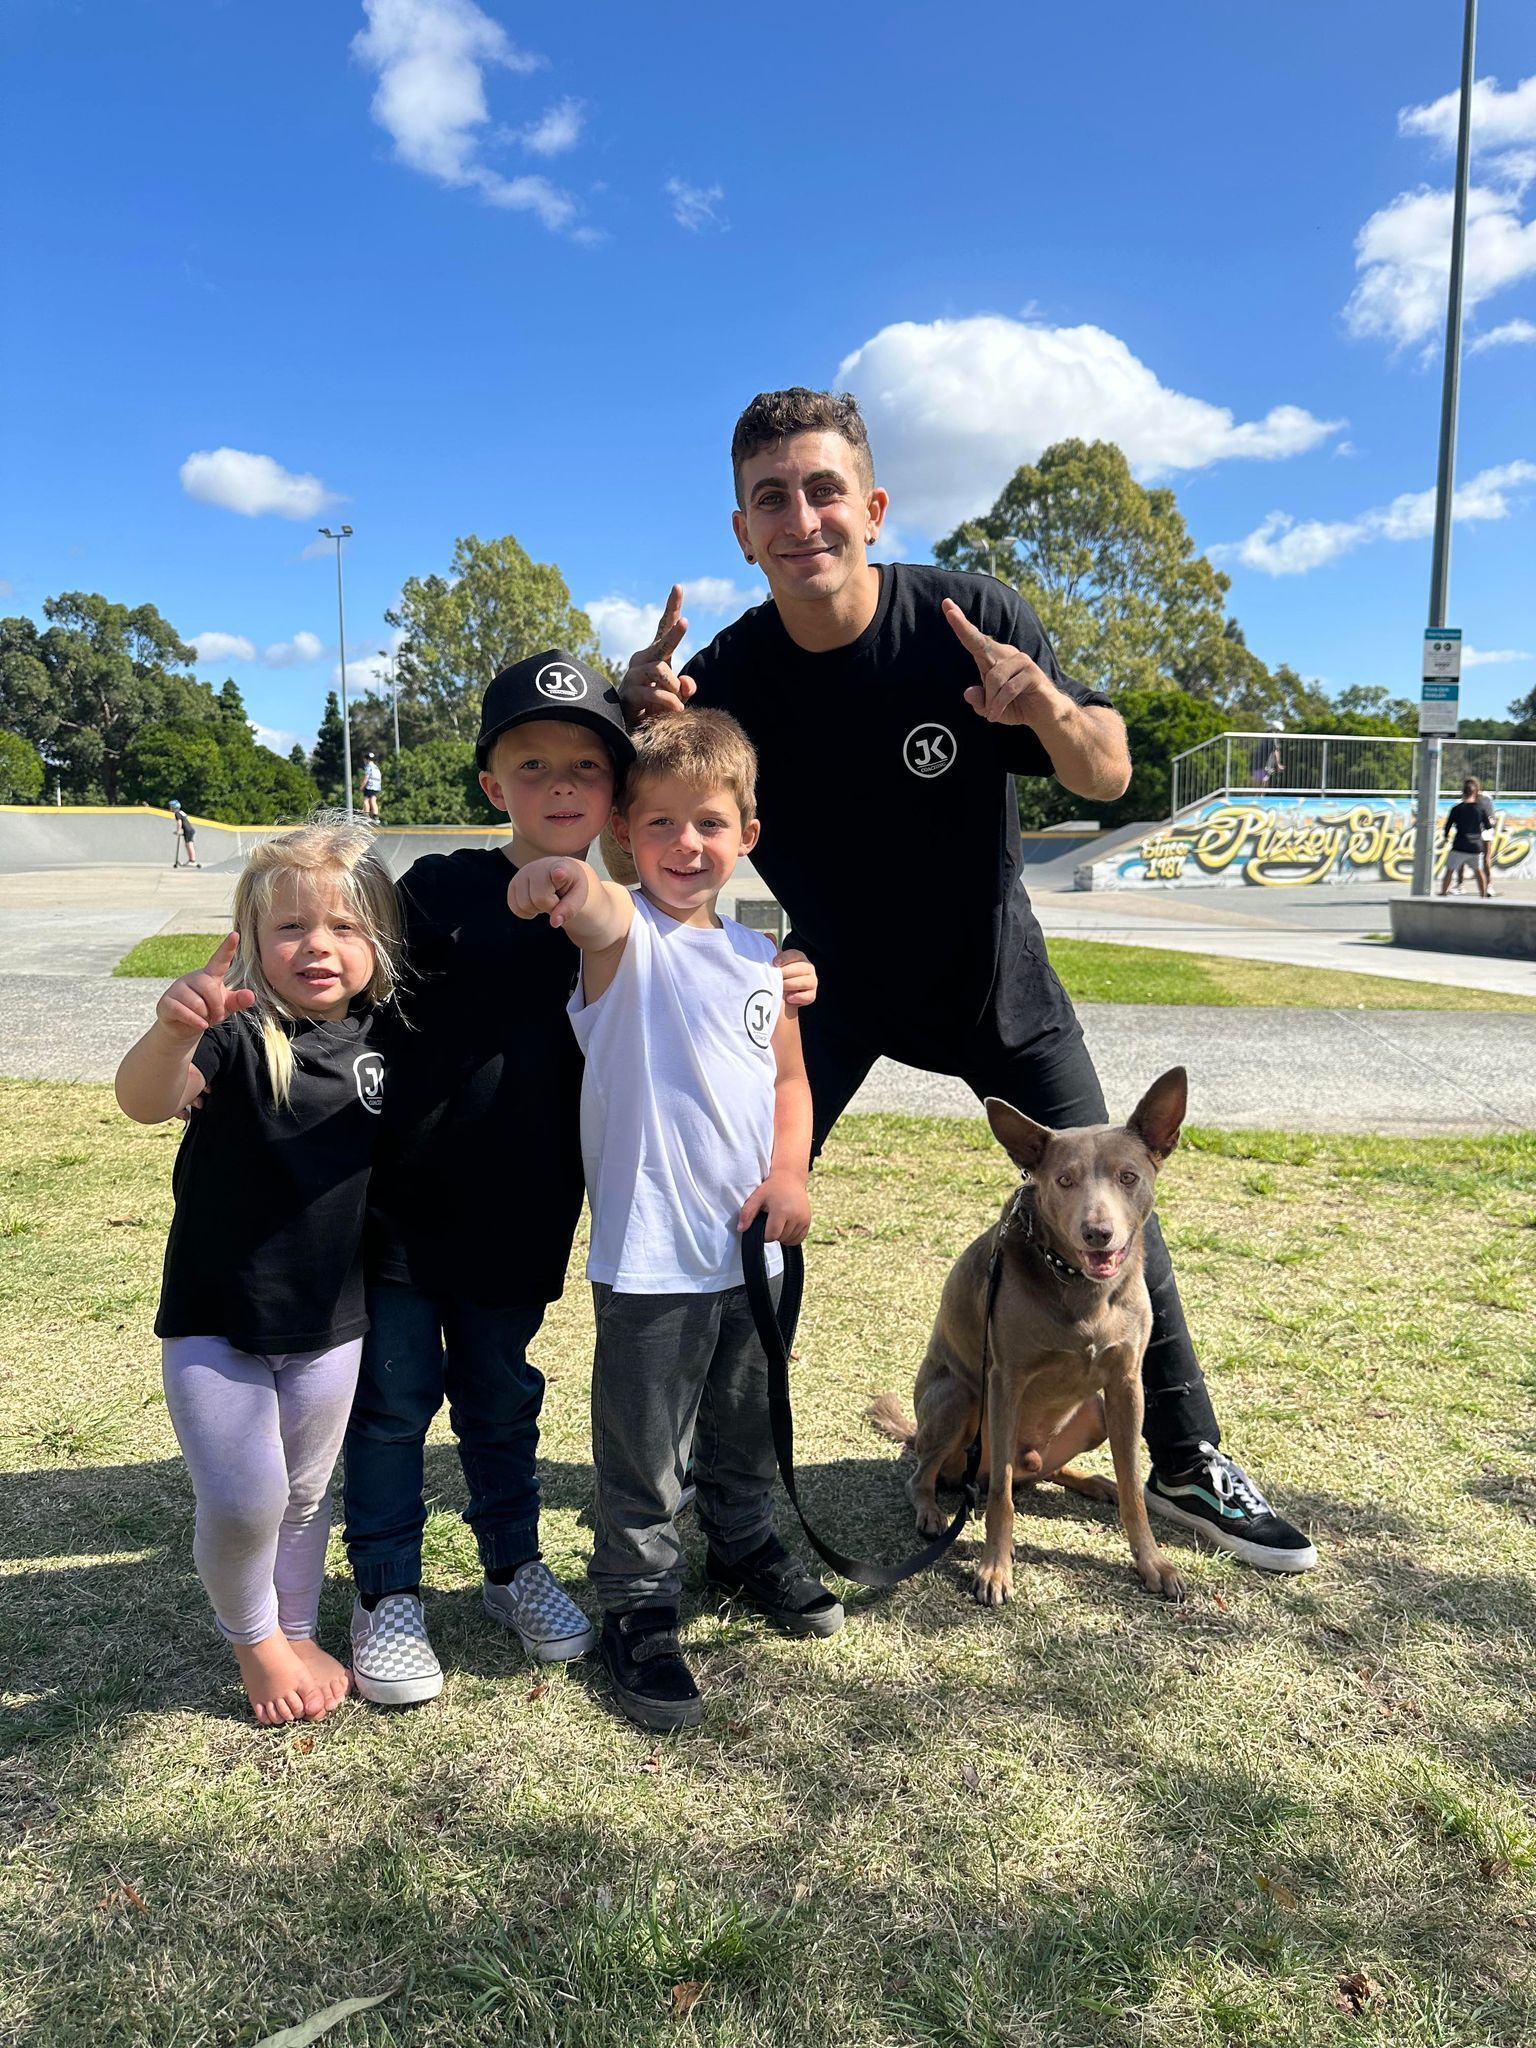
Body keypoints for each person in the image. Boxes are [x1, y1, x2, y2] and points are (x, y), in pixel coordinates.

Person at [622, 386, 1316, 1575]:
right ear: (742, 529)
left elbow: (1106, 773)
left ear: (874, 505)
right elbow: (643, 839)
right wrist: (634, 726)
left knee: (1119, 1203)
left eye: (825, 488)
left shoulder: (968, 618)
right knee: (750, 1211)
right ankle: (717, 1462)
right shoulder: (728, 675)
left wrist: (1039, 702)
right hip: (829, 981)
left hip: (995, 978)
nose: (803, 517)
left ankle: (1191, 1459)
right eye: (771, 498)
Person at [344, 651, 820, 1707]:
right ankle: (386, 1587)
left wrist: (783, 968)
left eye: (584, 768)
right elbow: (347, 969)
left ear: (608, 801)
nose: (559, 785)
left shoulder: (678, 922)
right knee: (392, 1404)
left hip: (527, 1211)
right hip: (409, 1206)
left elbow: (656, 916)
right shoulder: (446, 887)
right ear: (491, 783)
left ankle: (513, 1565)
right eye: (532, 764)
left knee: (504, 1397)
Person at [510, 709, 839, 1731]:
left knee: (743, 1426)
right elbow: (599, 913)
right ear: (625, 837)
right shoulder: (625, 942)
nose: (685, 844)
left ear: (748, 831)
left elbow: (790, 1082)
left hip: (754, 1252)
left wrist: (791, 1173)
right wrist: (559, 882)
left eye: (708, 822)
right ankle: (639, 1604)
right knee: (644, 1451)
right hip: (652, 1253)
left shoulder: (764, 959)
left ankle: (742, 1544)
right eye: (659, 824)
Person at [114, 819, 400, 1724]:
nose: (318, 944)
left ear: (378, 941)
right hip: (217, 1319)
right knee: (246, 1500)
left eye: (346, 926)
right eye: (291, 928)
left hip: (331, 1322)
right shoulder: (238, 1036)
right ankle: (256, 1645)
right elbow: (144, 1102)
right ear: (253, 940)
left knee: (307, 1495)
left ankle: (297, 1626)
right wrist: (171, 1033)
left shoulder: (381, 1040)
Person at [1440, 777, 1490, 899]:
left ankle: (1443, 893)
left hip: (1460, 845)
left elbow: (1447, 826)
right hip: (1475, 846)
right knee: (1479, 871)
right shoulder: (1480, 808)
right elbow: (1488, 826)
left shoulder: (1457, 809)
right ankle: (1483, 896)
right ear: (1475, 792)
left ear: (1463, 792)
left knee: (1450, 870)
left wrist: (1446, 837)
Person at [169, 799, 200, 868]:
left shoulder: (177, 813)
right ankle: (191, 860)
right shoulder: (181, 812)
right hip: (190, 829)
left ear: (174, 807)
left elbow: (179, 822)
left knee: (189, 845)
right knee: (188, 845)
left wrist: (177, 831)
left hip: (188, 831)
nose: (170, 808)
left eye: (171, 806)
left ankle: (192, 861)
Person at [361, 753, 383, 821]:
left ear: (366, 759)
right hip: (376, 786)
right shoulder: (376, 767)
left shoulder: (368, 767)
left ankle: (366, 816)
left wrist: (362, 786)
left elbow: (366, 777)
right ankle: (376, 816)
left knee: (366, 800)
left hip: (370, 786)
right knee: (373, 800)